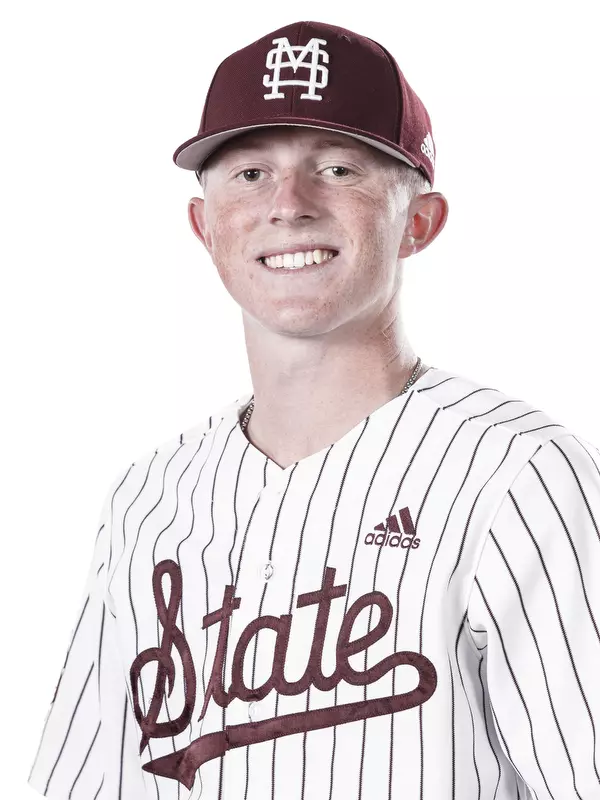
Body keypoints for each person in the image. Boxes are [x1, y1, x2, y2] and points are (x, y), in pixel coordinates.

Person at [28, 20, 600, 800]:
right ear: (205, 226)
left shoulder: (517, 476)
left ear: (420, 222)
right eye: (250, 174)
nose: (289, 205)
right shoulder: (147, 498)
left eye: (337, 168)